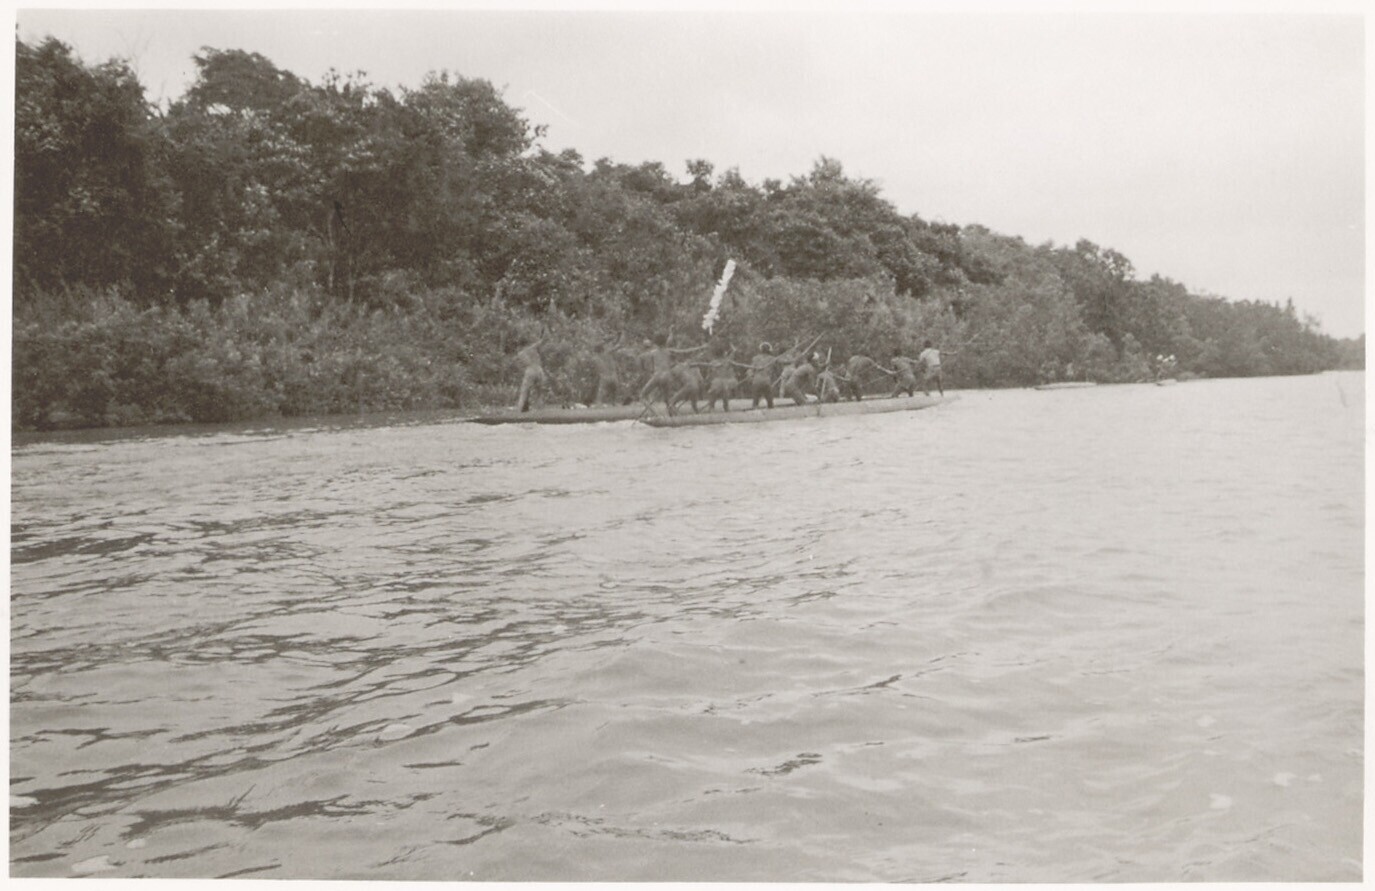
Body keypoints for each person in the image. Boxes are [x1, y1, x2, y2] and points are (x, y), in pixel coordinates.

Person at [638, 335, 708, 415]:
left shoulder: (652, 353)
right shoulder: (669, 351)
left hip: (657, 376)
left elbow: (644, 362)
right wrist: (701, 347)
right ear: (665, 343)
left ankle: (656, 414)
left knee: (642, 396)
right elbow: (685, 351)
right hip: (667, 377)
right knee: (667, 400)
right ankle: (673, 415)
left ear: (655, 344)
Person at [514, 334, 547, 412]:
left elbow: (520, 364)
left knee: (524, 391)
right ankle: (540, 409)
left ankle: (520, 409)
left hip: (530, 369)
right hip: (539, 369)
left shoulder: (521, 353)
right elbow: (541, 342)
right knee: (539, 392)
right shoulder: (533, 348)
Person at [704, 343, 740, 411]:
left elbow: (709, 373)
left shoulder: (713, 362)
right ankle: (725, 407)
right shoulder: (727, 361)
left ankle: (711, 407)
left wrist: (708, 381)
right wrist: (731, 345)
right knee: (725, 393)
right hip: (724, 381)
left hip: (717, 381)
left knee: (713, 393)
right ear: (723, 354)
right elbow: (734, 351)